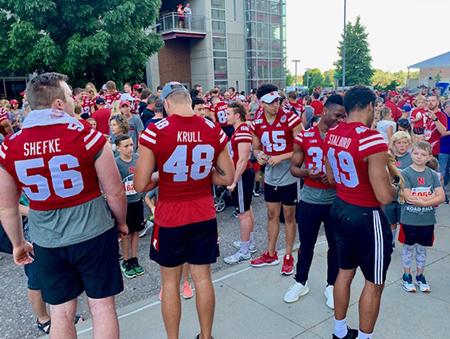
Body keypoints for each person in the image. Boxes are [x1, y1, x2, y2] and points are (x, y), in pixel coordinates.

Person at [0, 72, 128, 339]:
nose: (73, 101)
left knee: (60, 311)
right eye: (70, 96)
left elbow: (7, 207)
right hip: (93, 231)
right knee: (102, 306)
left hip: (47, 240)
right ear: (58, 103)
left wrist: (18, 243)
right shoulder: (87, 135)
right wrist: (121, 222)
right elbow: (115, 191)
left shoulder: (10, 145)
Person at [134, 81, 234, 339]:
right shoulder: (213, 128)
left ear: (166, 104)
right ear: (189, 102)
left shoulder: (156, 131)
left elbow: (141, 183)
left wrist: (162, 177)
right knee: (203, 279)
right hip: (203, 211)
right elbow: (226, 177)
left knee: (170, 283)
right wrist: (201, 175)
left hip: (170, 215)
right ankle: (206, 335)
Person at [324, 85, 397, 339]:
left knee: (344, 272)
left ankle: (339, 331)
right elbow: (385, 195)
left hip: (340, 206)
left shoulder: (332, 133)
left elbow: (332, 177)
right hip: (366, 214)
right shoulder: (372, 138)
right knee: (374, 283)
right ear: (370, 106)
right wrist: (395, 186)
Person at [284, 94, 346, 308]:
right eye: (337, 115)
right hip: (310, 197)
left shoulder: (343, 138)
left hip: (335, 198)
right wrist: (307, 172)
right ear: (325, 111)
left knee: (335, 245)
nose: (340, 120)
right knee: (306, 243)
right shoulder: (305, 136)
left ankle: (331, 285)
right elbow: (293, 168)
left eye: (343, 116)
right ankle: (301, 281)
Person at [249, 83, 303, 275]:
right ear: (261, 103)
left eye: (278, 101)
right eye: (271, 102)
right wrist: (259, 154)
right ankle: (271, 253)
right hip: (271, 175)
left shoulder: (290, 118)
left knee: (289, 216)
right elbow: (255, 147)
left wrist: (282, 156)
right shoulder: (257, 122)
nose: (276, 105)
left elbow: (302, 145)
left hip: (288, 174)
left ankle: (288, 255)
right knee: (272, 215)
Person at [399, 141, 445, 293]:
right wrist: (431, 199)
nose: (419, 157)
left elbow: (441, 197)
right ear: (411, 153)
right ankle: (406, 275)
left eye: (424, 154)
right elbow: (408, 197)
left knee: (422, 249)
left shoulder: (432, 175)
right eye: (416, 153)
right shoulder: (405, 173)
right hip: (410, 219)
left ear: (429, 157)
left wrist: (423, 202)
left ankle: (420, 276)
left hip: (427, 220)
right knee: (408, 247)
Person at [224, 101, 256, 264]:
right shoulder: (240, 130)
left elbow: (243, 160)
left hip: (242, 175)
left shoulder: (242, 131)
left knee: (242, 213)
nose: (226, 116)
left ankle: (244, 251)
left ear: (237, 115)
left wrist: (234, 181)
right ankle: (248, 243)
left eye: (228, 114)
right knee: (247, 209)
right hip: (243, 175)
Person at [114, 134, 147, 278]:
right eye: (126, 146)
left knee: (136, 232)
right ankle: (126, 261)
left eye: (131, 145)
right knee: (126, 234)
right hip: (124, 204)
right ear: (118, 148)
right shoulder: (116, 163)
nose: (130, 148)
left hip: (137, 201)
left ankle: (134, 259)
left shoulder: (137, 158)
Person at [384, 131, 413, 250]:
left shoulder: (412, 158)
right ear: (394, 144)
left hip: (404, 196)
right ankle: (391, 241)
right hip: (391, 194)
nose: (401, 145)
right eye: (398, 143)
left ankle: (408, 243)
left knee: (405, 221)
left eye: (404, 143)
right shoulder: (389, 157)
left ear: (409, 145)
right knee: (390, 221)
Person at [438, 100, 450, 200]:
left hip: (448, 148)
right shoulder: (442, 117)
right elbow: (442, 133)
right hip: (443, 148)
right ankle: (441, 194)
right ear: (446, 107)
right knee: (441, 172)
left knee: (446, 173)